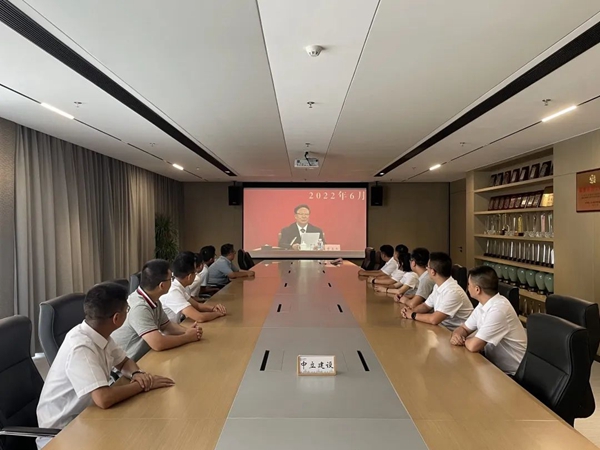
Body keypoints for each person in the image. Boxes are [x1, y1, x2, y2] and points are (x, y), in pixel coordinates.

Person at [36, 283, 174, 448]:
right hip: (62, 433)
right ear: (116, 318)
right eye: (127, 310)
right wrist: (142, 385)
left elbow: (124, 362)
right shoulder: (81, 347)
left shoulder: (100, 334)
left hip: (89, 416)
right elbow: (104, 399)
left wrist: (137, 374)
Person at [112, 259, 203, 361]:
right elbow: (158, 343)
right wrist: (187, 337)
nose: (172, 281)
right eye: (171, 278)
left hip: (146, 356)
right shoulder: (139, 307)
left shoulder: (153, 299)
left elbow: (166, 326)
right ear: (162, 285)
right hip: (131, 363)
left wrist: (188, 331)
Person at [450, 266, 527, 375]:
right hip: (492, 364)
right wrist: (457, 335)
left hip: (511, 374)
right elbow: (464, 328)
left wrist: (462, 340)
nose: (467, 287)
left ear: (477, 289)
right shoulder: (483, 305)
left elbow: (474, 346)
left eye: (469, 284)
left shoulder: (499, 310)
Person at [400, 252, 473, 331]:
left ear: (433, 272)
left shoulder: (453, 292)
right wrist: (410, 311)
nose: (426, 269)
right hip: (442, 328)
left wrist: (412, 315)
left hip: (455, 333)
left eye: (427, 267)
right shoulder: (438, 286)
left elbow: (434, 319)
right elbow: (426, 306)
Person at [161, 251, 227, 324]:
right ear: (189, 276)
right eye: (195, 272)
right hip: (169, 329)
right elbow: (199, 317)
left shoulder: (178, 286)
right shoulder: (173, 291)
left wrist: (213, 308)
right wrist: (217, 314)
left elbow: (197, 305)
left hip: (176, 326)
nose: (196, 275)